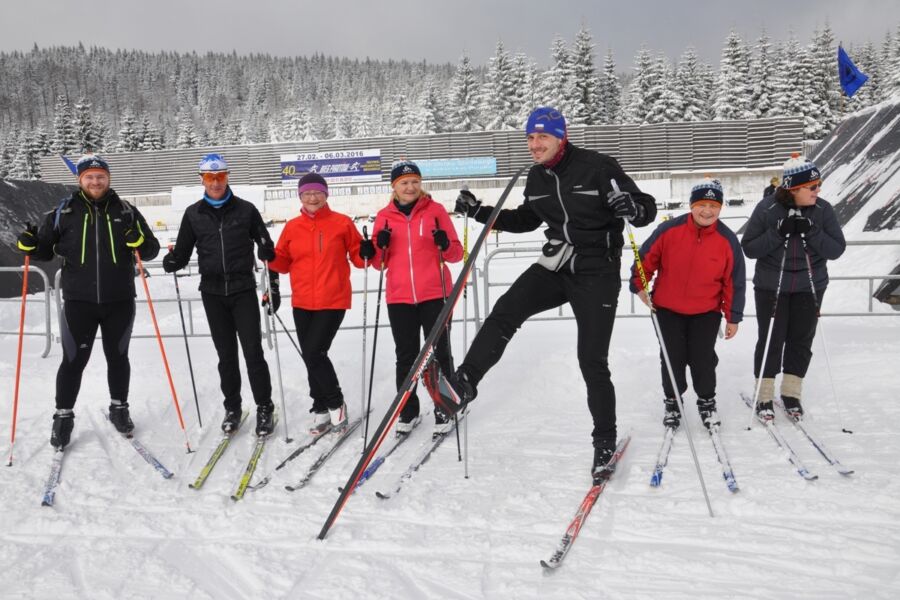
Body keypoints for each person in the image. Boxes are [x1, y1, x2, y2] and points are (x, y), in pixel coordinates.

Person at [443, 106, 657, 482]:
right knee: (506, 310)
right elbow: (527, 219)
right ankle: (465, 383)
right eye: (530, 137)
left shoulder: (598, 166)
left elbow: (647, 210)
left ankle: (604, 442)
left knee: (592, 360)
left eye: (542, 136)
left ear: (561, 137)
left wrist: (633, 207)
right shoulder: (536, 178)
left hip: (597, 270)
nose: (535, 144)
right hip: (557, 264)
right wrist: (479, 212)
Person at [15, 154, 160, 448]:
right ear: (80, 180)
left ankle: (119, 408)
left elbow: (152, 250)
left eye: (101, 176)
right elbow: (43, 251)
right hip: (79, 301)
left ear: (108, 178)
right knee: (73, 360)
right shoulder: (63, 211)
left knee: (118, 357)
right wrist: (28, 244)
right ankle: (63, 416)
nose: (96, 181)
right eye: (90, 177)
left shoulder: (127, 210)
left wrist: (139, 242)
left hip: (119, 299)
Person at [162, 153, 280, 436]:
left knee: (253, 352)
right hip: (212, 292)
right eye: (209, 178)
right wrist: (173, 261)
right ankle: (233, 407)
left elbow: (266, 243)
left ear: (228, 177)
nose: (216, 183)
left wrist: (266, 249)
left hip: (242, 289)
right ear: (201, 179)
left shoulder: (246, 210)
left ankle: (264, 407)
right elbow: (183, 250)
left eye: (221, 177)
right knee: (226, 355)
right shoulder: (194, 214)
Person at [630, 179, 746, 430]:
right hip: (667, 309)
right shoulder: (669, 230)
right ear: (692, 205)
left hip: (706, 311)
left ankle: (706, 402)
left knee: (702, 358)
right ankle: (673, 402)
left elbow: (733, 282)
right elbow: (646, 259)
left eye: (713, 205)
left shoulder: (727, 240)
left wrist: (733, 316)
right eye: (702, 204)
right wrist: (639, 284)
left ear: (720, 207)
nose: (707, 211)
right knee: (672, 357)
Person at [359, 160, 463, 437]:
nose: (410, 187)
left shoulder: (436, 211)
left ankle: (446, 406)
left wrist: (444, 243)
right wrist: (372, 248)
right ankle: (408, 409)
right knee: (406, 356)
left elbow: (456, 254)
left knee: (439, 353)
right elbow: (379, 264)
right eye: (404, 183)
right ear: (394, 187)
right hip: (400, 296)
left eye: (415, 182)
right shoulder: (384, 216)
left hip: (434, 293)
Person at [741, 153, 846, 421]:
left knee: (801, 339)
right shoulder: (766, 209)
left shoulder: (823, 210)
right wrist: (777, 232)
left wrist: (812, 230)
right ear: (793, 188)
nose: (817, 191)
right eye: (812, 187)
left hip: (810, 286)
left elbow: (836, 249)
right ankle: (764, 395)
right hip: (771, 286)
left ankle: (791, 393)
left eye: (818, 185)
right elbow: (750, 248)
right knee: (771, 340)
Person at [268, 172, 364, 435]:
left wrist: (367, 250)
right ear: (300, 196)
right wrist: (269, 256)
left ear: (326, 194)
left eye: (317, 192)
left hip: (333, 299)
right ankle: (320, 407)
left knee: (314, 353)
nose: (312, 197)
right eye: (307, 193)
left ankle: (336, 404)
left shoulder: (342, 223)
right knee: (311, 356)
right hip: (302, 301)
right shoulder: (292, 227)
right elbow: (283, 264)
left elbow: (358, 257)